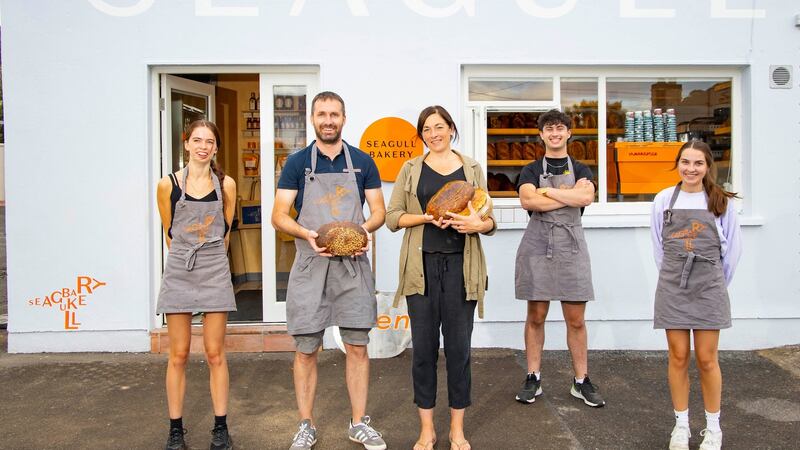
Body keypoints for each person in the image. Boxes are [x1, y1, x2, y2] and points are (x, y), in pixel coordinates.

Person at [271, 91, 387, 450]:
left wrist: (364, 232)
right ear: (313, 119)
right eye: (322, 114)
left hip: (352, 267)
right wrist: (307, 234)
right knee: (306, 348)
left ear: (344, 118)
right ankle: (305, 424)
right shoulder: (297, 163)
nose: (328, 120)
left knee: (357, 345)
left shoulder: (363, 162)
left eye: (334, 114)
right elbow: (278, 216)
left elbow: (379, 211)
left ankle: (358, 423)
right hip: (310, 265)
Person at [386, 105, 495, 450]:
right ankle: (426, 429)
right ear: (421, 136)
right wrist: (426, 219)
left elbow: (489, 219)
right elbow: (392, 218)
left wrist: (479, 225)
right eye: (426, 129)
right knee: (424, 350)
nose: (433, 134)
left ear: (451, 128)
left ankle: (457, 429)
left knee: (459, 349)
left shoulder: (472, 168)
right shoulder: (410, 168)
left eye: (439, 127)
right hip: (421, 270)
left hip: (462, 268)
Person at [651, 140, 742, 450]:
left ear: (707, 167)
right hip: (673, 288)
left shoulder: (720, 201)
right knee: (677, 357)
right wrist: (675, 278)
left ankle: (713, 428)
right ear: (678, 163)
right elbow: (659, 249)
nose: (690, 169)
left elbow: (732, 253)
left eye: (698, 163)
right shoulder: (663, 199)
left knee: (706, 359)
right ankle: (681, 426)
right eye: (685, 162)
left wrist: (714, 284)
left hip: (709, 288)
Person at [514, 109, 605, 408]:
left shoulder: (582, 168)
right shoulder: (528, 170)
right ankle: (533, 376)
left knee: (576, 320)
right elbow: (528, 200)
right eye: (549, 129)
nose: (554, 133)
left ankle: (581, 381)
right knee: (536, 316)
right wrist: (564, 194)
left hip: (572, 247)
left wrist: (547, 194)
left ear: (568, 133)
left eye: (560, 128)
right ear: (541, 135)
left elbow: (585, 199)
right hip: (538, 246)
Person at [155, 119, 237, 450]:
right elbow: (169, 233)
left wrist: (214, 263)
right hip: (180, 267)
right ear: (186, 144)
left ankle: (221, 427)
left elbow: (226, 231)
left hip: (215, 265)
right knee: (179, 353)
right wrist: (187, 261)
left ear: (216, 147)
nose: (203, 146)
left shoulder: (226, 184)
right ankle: (176, 430)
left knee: (216, 353)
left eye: (209, 141)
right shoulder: (167, 184)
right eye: (197, 140)